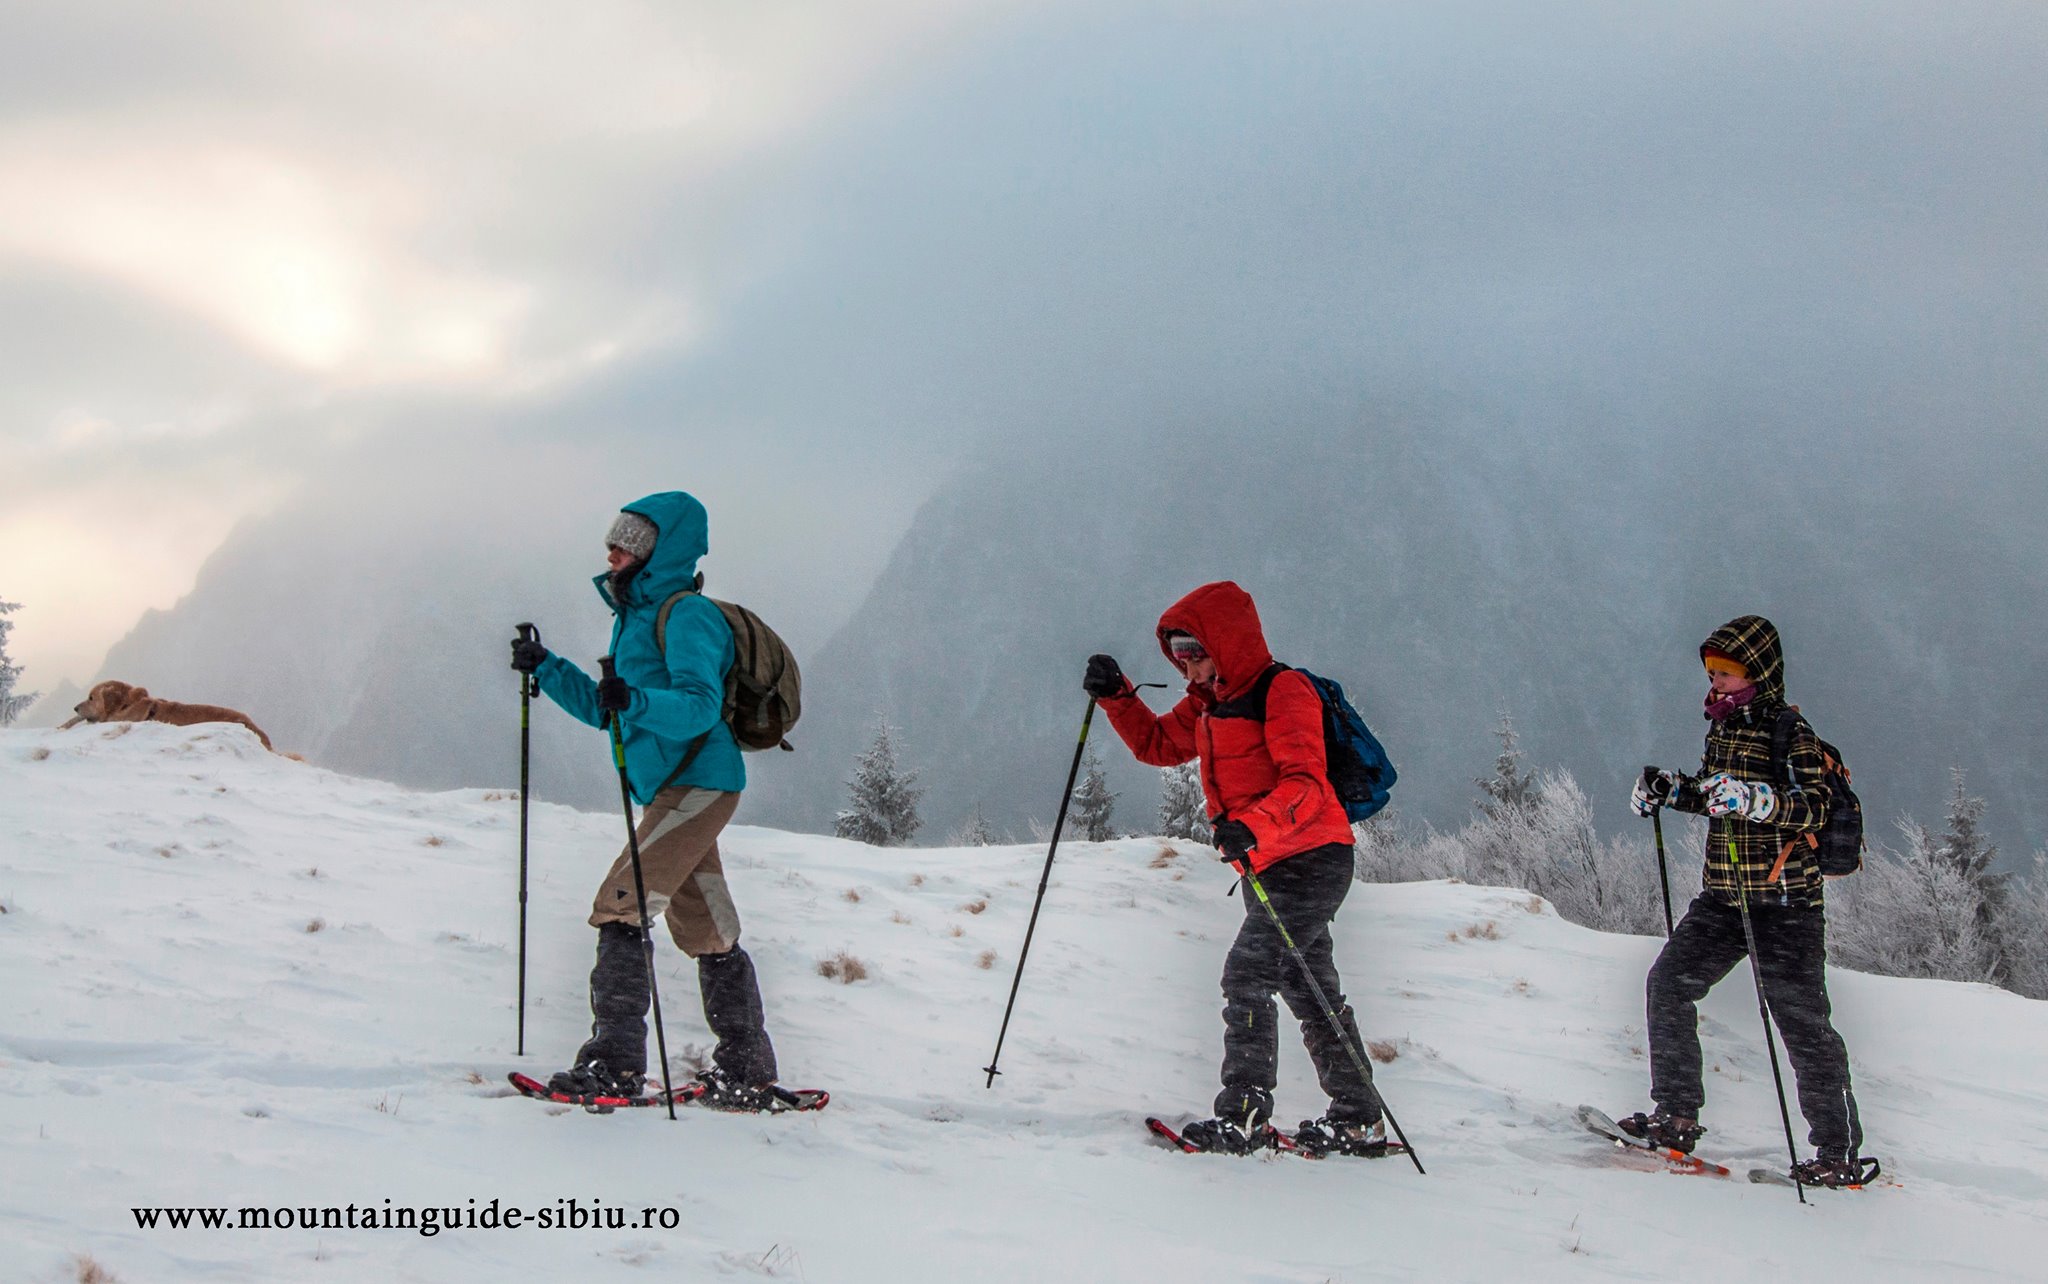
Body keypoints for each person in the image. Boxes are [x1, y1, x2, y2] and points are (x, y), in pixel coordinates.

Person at [1083, 580, 1386, 1155]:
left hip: (1313, 857)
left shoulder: (1283, 690)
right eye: (1177, 654)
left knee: (1248, 972)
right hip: (1265, 866)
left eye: (1195, 651)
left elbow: (1307, 784)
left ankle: (1244, 1115)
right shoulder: (1208, 705)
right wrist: (1117, 696)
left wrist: (1253, 825)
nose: (1186, 665)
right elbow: (1157, 745)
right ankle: (1358, 1118)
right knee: (1308, 986)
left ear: (1226, 644)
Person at [509, 491, 785, 1111]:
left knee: (621, 903)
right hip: (673, 788)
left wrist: (632, 700)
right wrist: (547, 667)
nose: (613, 551)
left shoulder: (687, 615)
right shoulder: (633, 617)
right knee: (708, 928)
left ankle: (615, 1065)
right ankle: (748, 1069)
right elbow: (606, 711)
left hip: (702, 782)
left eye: (629, 541)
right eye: (614, 538)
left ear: (663, 550)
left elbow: (697, 706)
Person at [1625, 614, 1872, 1186]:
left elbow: (1812, 806)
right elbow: (1718, 797)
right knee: (1668, 986)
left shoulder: (1793, 732)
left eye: (1728, 675)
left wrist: (1755, 798)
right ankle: (1675, 1117)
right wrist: (1672, 789)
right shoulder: (1724, 727)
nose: (1716, 684)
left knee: (1802, 1023)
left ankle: (1838, 1153)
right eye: (1712, 673)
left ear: (1759, 673)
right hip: (1724, 899)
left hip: (1787, 905)